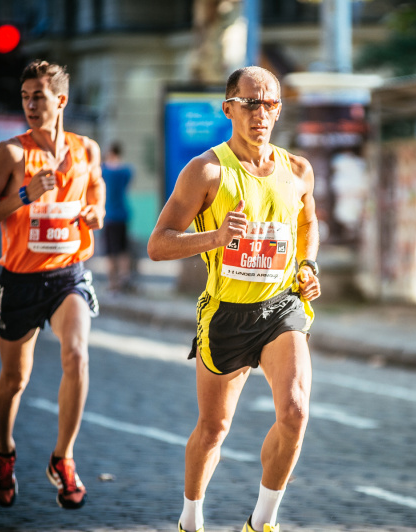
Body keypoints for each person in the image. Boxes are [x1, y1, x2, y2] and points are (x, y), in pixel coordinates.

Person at [148, 66, 322, 532]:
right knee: (213, 430)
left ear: (279, 110)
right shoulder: (206, 171)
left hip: (281, 308)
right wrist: (216, 237)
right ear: (229, 108)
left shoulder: (298, 170)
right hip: (226, 314)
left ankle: (261, 522)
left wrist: (307, 266)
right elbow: (158, 244)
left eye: (270, 104)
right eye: (250, 103)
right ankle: (190, 520)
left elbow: (307, 223)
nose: (261, 113)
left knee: (295, 412)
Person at [0, 59, 105, 510]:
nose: (29, 104)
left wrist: (96, 213)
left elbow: (97, 189)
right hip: (21, 280)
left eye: (38, 96)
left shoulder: (86, 149)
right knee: (14, 379)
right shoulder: (11, 154)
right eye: (25, 97)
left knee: (77, 354)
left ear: (60, 100)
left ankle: (63, 458)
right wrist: (25, 195)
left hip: (68, 275)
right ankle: (3, 450)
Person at [100, 141, 134, 293]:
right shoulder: (126, 171)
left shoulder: (105, 172)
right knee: (123, 249)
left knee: (109, 252)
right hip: (123, 214)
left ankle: (113, 283)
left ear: (111, 153)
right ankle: (124, 278)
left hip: (109, 216)